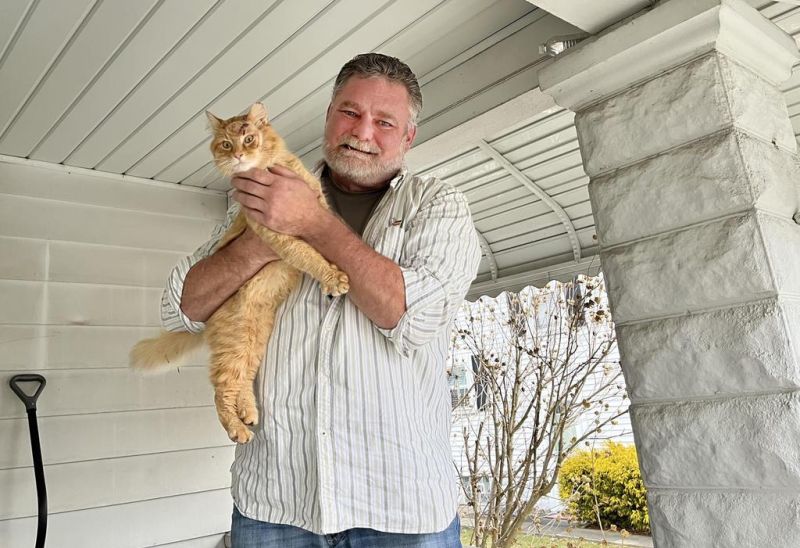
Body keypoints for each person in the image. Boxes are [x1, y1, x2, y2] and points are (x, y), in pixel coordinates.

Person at [161, 53, 481, 547]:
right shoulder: (263, 196)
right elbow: (181, 308)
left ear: (409, 137)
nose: (362, 131)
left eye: (385, 121)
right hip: (274, 503)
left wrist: (311, 222)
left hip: (400, 508)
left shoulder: (437, 205)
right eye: (350, 112)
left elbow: (413, 317)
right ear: (329, 115)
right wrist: (260, 238)